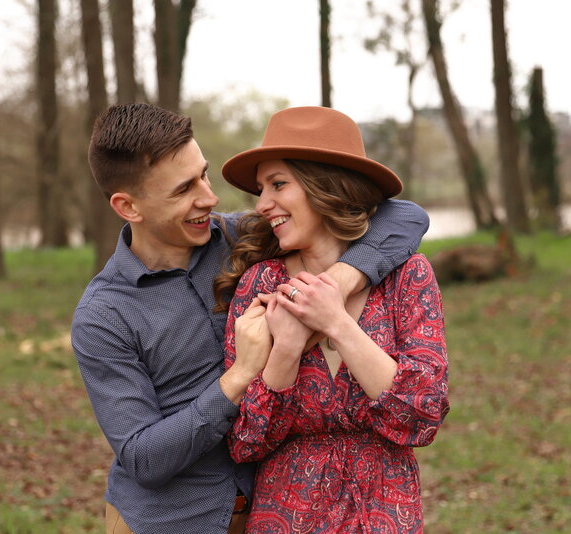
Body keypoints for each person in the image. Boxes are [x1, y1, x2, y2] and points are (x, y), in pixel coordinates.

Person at [71, 103, 430, 534]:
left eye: (203, 174)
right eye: (184, 189)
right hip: (171, 522)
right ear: (128, 206)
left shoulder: (240, 238)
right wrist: (239, 376)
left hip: (270, 508)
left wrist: (336, 283)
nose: (209, 197)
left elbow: (404, 216)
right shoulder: (103, 316)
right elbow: (144, 458)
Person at [217, 106, 449, 533]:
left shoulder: (407, 277)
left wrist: (337, 323)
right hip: (286, 514)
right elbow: (245, 440)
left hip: (385, 510)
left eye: (279, 184)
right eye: (261, 188)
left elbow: (422, 414)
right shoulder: (260, 285)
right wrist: (285, 349)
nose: (263, 204)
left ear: (325, 186)